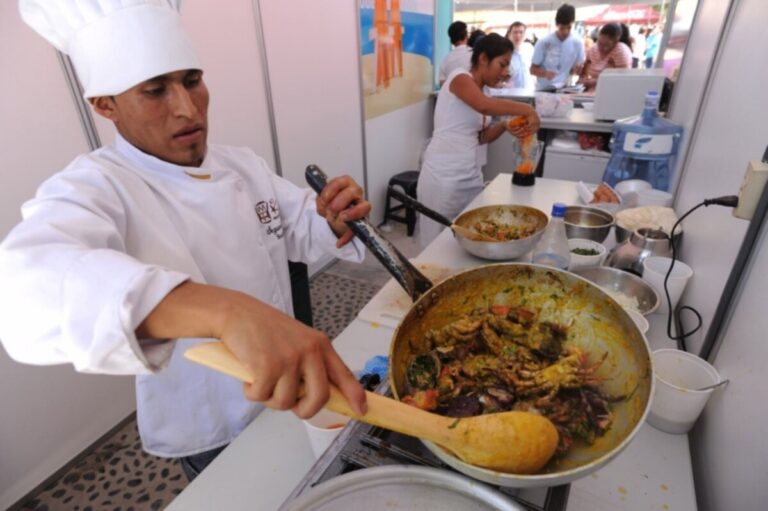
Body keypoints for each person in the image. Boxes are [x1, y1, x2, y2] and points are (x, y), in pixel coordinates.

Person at [1, 0, 370, 482]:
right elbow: (21, 292)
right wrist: (224, 310)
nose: (187, 107)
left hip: (290, 384)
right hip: (212, 418)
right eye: (155, 91)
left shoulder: (241, 164)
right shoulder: (96, 185)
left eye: (192, 80)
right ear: (104, 104)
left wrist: (333, 218)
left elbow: (300, 225)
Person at [416, 34, 540, 247]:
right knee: (436, 245)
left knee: (466, 241)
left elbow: (480, 138)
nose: (504, 72)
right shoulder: (459, 77)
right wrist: (527, 108)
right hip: (443, 177)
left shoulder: (482, 92)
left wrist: (502, 126)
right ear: (483, 58)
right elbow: (484, 105)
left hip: (469, 177)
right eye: (502, 64)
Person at [530, 3, 586, 91]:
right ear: (556, 25)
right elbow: (532, 69)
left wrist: (576, 70)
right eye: (562, 28)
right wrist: (545, 73)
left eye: (569, 28)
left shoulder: (578, 43)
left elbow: (576, 71)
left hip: (565, 90)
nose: (565, 32)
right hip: (543, 90)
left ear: (573, 24)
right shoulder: (543, 42)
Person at [578, 23, 633, 92]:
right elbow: (585, 72)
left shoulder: (621, 51)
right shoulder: (593, 49)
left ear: (616, 42)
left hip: (613, 92)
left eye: (607, 45)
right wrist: (582, 78)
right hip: (591, 92)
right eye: (600, 43)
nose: (602, 48)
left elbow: (621, 80)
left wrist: (591, 82)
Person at [439, 21, 472, 87]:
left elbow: (442, 84)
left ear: (451, 40)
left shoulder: (445, 60)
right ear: (466, 35)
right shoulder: (474, 55)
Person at [505, 21, 534, 89]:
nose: (518, 35)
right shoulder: (504, 52)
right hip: (511, 94)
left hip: (529, 92)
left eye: (521, 32)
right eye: (515, 32)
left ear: (525, 35)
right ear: (509, 35)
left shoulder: (529, 48)